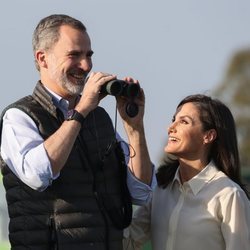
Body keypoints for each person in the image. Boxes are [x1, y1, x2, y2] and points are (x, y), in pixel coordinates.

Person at [0, 14, 155, 250]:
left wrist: (134, 127)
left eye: (88, 55)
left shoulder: (98, 118)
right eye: (74, 55)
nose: (86, 66)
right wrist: (81, 111)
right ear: (43, 58)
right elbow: (39, 175)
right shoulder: (19, 117)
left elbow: (141, 192)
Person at [123, 94, 250, 250]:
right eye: (173, 120)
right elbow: (127, 242)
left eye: (183, 121)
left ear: (208, 136)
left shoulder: (229, 194)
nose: (171, 128)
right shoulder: (159, 190)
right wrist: (133, 126)